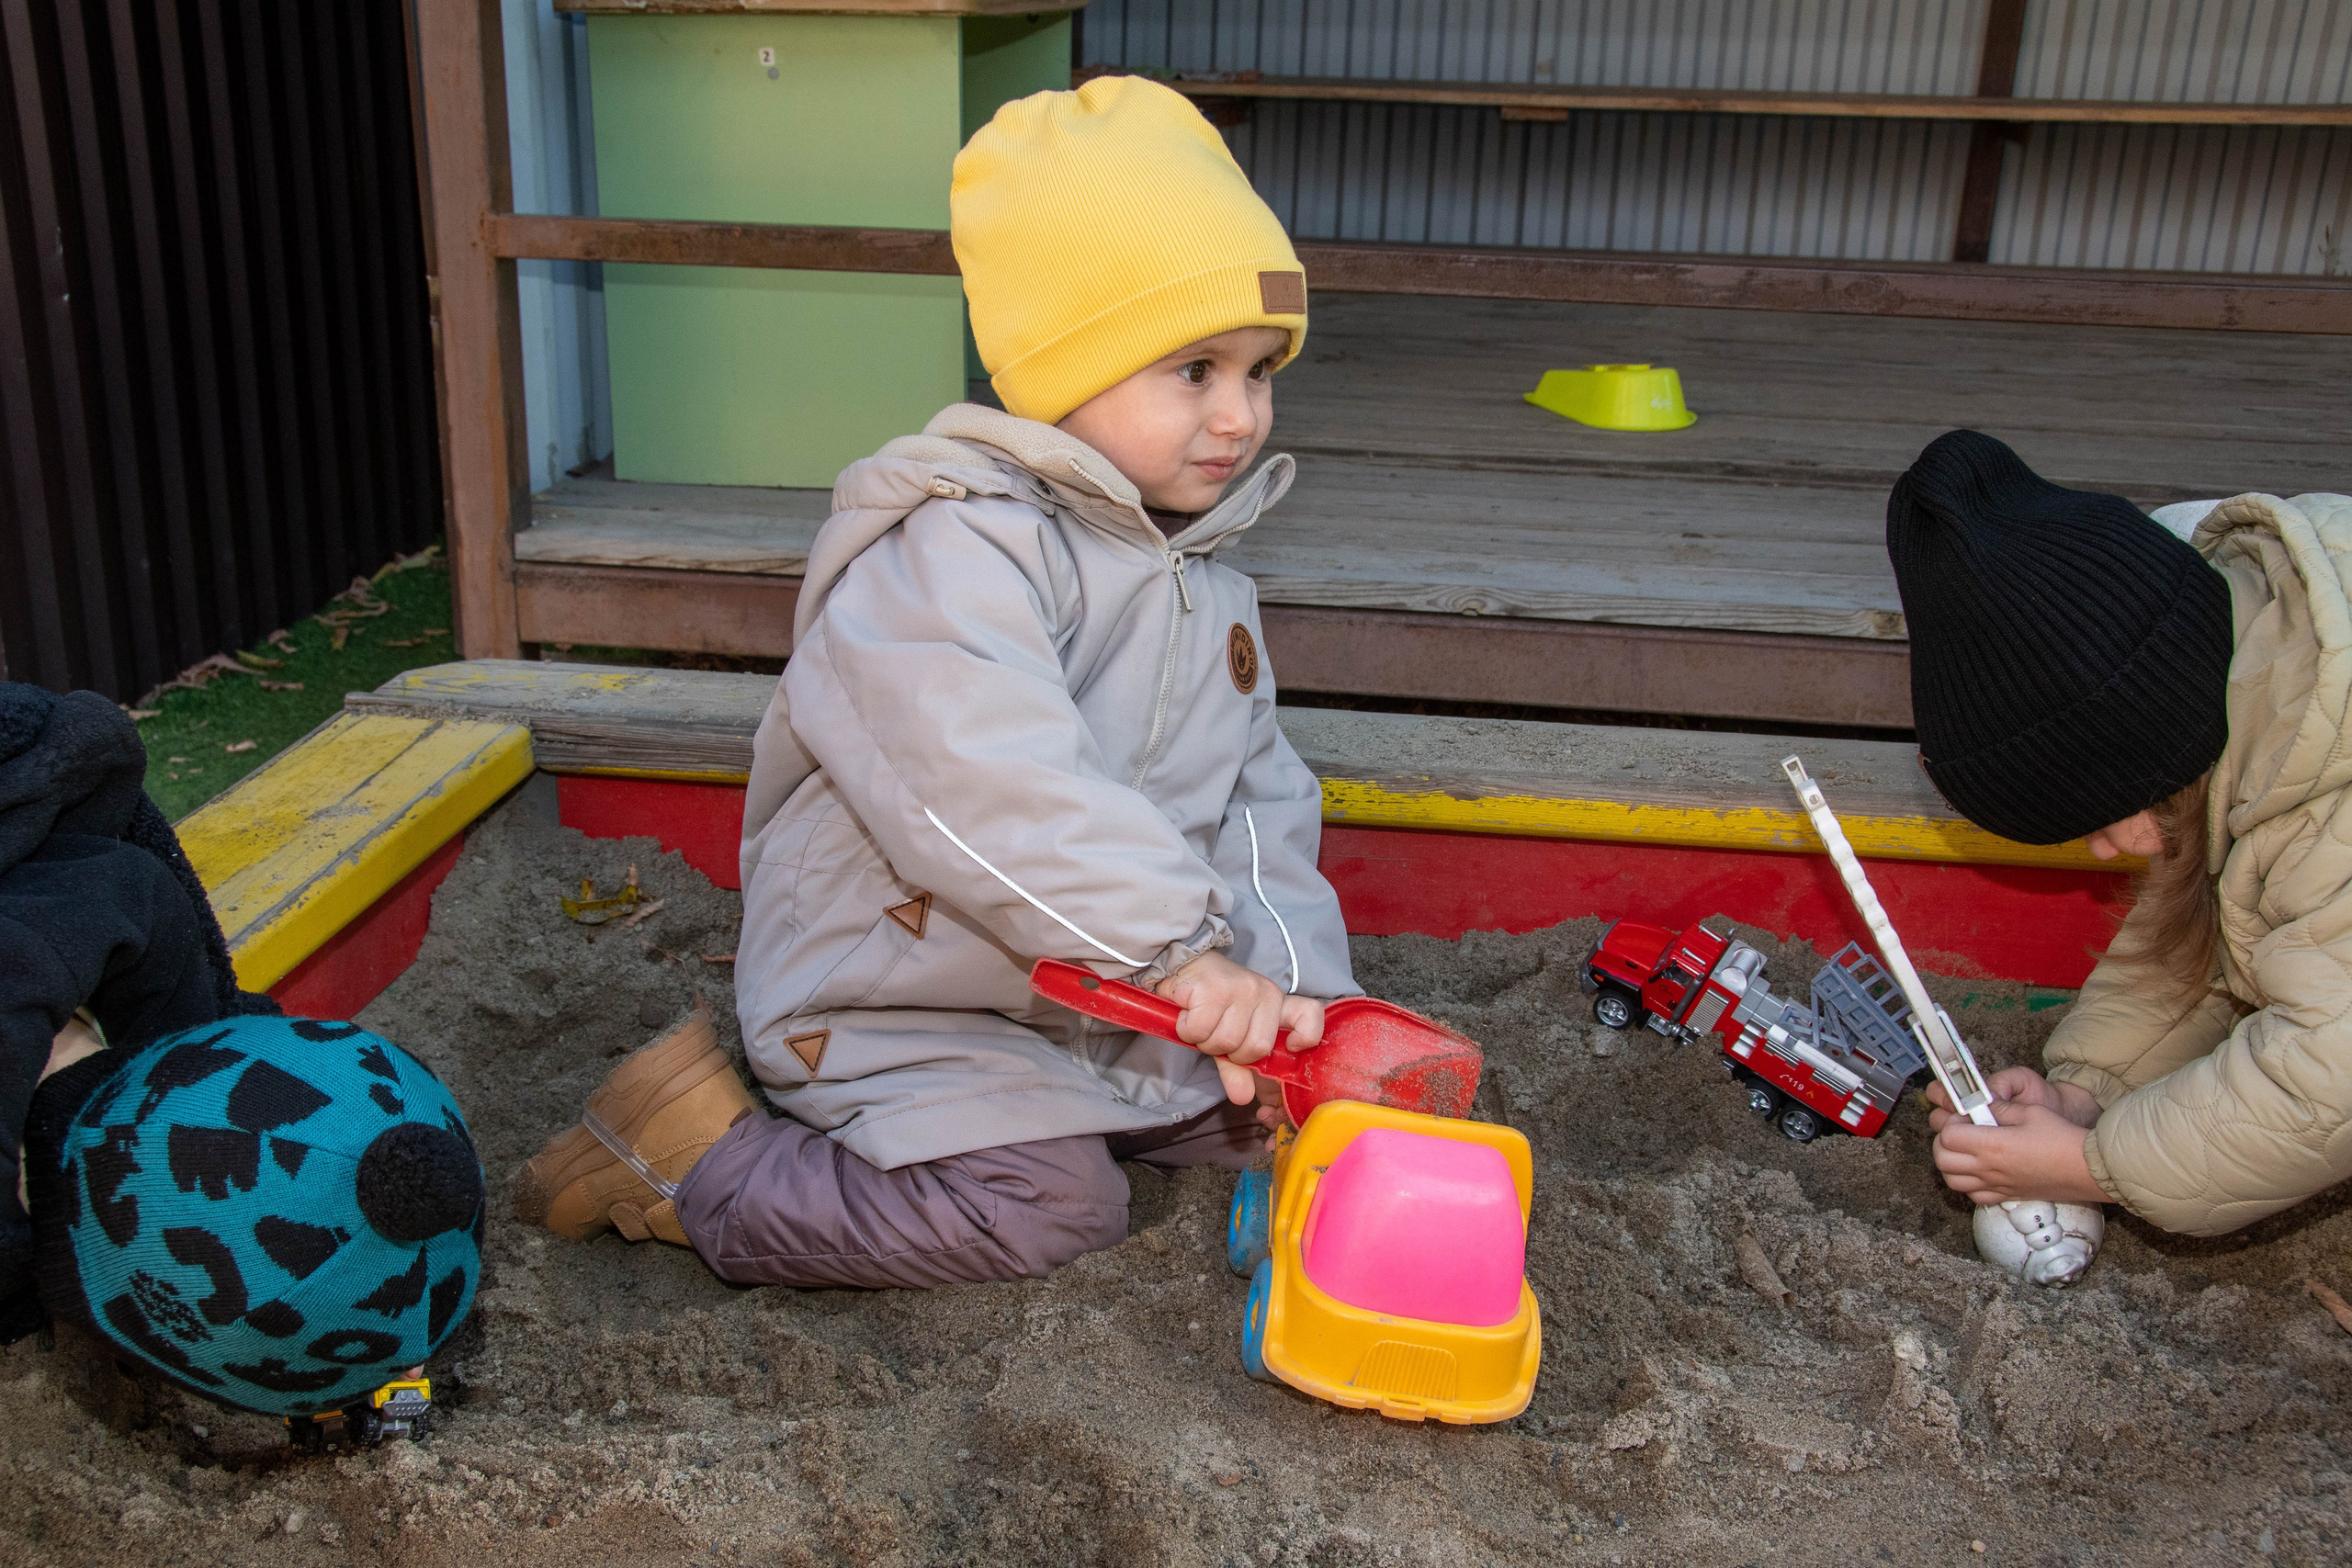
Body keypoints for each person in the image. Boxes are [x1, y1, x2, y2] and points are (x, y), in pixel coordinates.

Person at [519, 76, 1358, 1288]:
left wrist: (1286, 999)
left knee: (1278, 1129)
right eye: (1194, 369)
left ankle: (1129, 1083)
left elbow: (1257, 810)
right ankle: (692, 1154)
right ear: (1069, 359)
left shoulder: (1204, 582)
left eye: (1261, 369)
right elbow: (985, 777)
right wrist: (1173, 952)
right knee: (1050, 1205)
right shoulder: (953, 547)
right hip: (903, 997)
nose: (1239, 415)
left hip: (1093, 988)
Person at [1885, 428, 2352, 1236]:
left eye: (2100, 819)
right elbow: (2205, 924)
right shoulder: (2252, 669)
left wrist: (2088, 1166)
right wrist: (2087, 1092)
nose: (2102, 850)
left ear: (2151, 749)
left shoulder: (2327, 817)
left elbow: (2326, 1074)